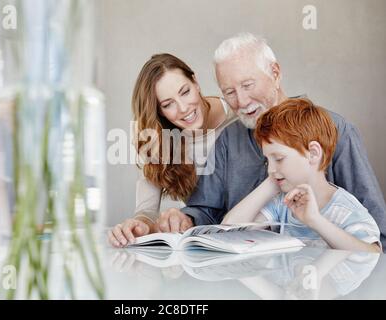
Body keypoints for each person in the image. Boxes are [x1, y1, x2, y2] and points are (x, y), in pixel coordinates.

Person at [157, 33, 386, 250]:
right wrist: (185, 217)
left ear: (275, 73)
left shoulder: (337, 131)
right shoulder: (227, 139)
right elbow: (207, 212)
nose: (242, 101)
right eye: (230, 92)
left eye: (247, 85)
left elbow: (376, 233)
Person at [108, 53, 237, 247]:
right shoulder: (161, 142)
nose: (184, 108)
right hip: (203, 248)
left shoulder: (239, 115)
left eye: (185, 92)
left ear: (195, 82)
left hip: (252, 236)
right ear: (159, 113)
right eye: (168, 104)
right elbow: (146, 211)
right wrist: (140, 224)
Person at [222, 98, 381, 253]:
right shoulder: (283, 203)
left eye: (278, 158)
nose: (270, 168)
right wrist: (272, 181)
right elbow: (230, 230)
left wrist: (315, 221)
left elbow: (374, 255)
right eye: (267, 160)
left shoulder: (344, 209)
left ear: (313, 153)